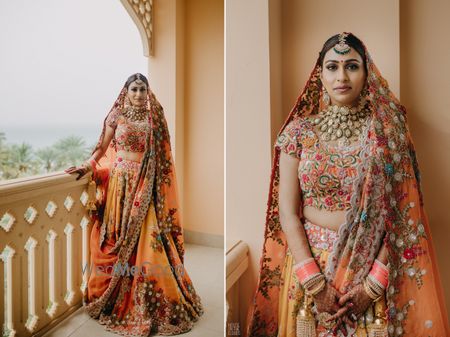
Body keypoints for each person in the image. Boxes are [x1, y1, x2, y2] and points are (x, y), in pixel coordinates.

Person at [246, 33, 449, 337]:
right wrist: (314, 282)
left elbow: (405, 213)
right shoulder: (298, 132)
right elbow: (286, 211)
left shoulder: (388, 133)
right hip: (309, 269)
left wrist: (374, 283)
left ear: (366, 73)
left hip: (371, 267)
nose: (341, 76)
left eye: (352, 66)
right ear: (320, 74)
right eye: (332, 67)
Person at [65, 73, 203, 336]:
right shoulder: (116, 116)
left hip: (146, 184)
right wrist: (86, 167)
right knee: (117, 238)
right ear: (126, 91)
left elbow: (164, 158)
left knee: (149, 240)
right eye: (134, 89)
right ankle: (116, 292)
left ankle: (151, 298)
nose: (139, 94)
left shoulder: (155, 118)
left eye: (143, 89)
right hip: (120, 186)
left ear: (147, 92)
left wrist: (156, 188)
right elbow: (101, 149)